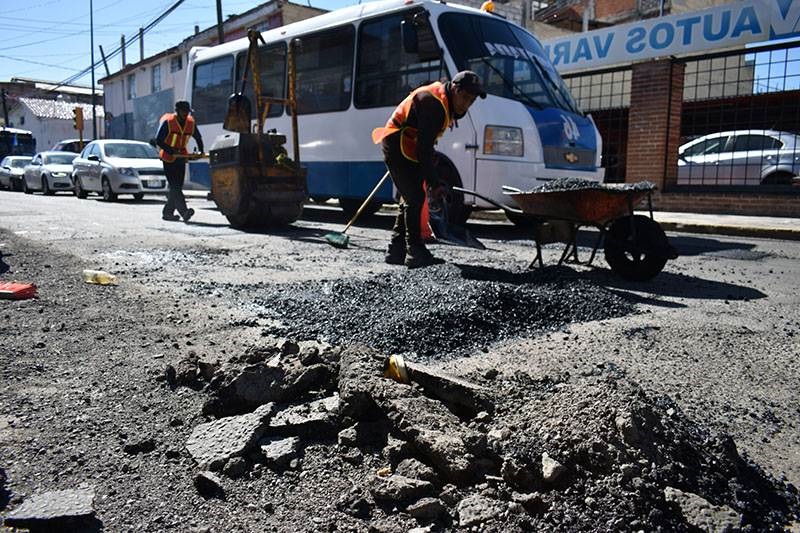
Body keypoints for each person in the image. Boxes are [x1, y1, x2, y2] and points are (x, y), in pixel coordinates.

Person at [372, 71, 485, 268]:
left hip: (408, 144)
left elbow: (425, 145)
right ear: (455, 89)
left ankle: (396, 250)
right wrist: (434, 183)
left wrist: (431, 173)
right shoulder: (434, 104)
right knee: (415, 197)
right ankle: (415, 251)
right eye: (465, 98)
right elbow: (422, 149)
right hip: (397, 143)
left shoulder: (444, 101)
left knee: (410, 197)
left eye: (472, 100)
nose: (467, 104)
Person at [156, 100, 204, 222]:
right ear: (177, 111)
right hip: (168, 158)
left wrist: (201, 151)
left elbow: (198, 137)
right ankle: (184, 212)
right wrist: (171, 150)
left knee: (177, 187)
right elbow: (159, 140)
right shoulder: (169, 122)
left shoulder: (190, 123)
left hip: (181, 157)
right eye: (184, 111)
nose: (186, 114)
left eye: (187, 112)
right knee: (175, 187)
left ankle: (167, 213)